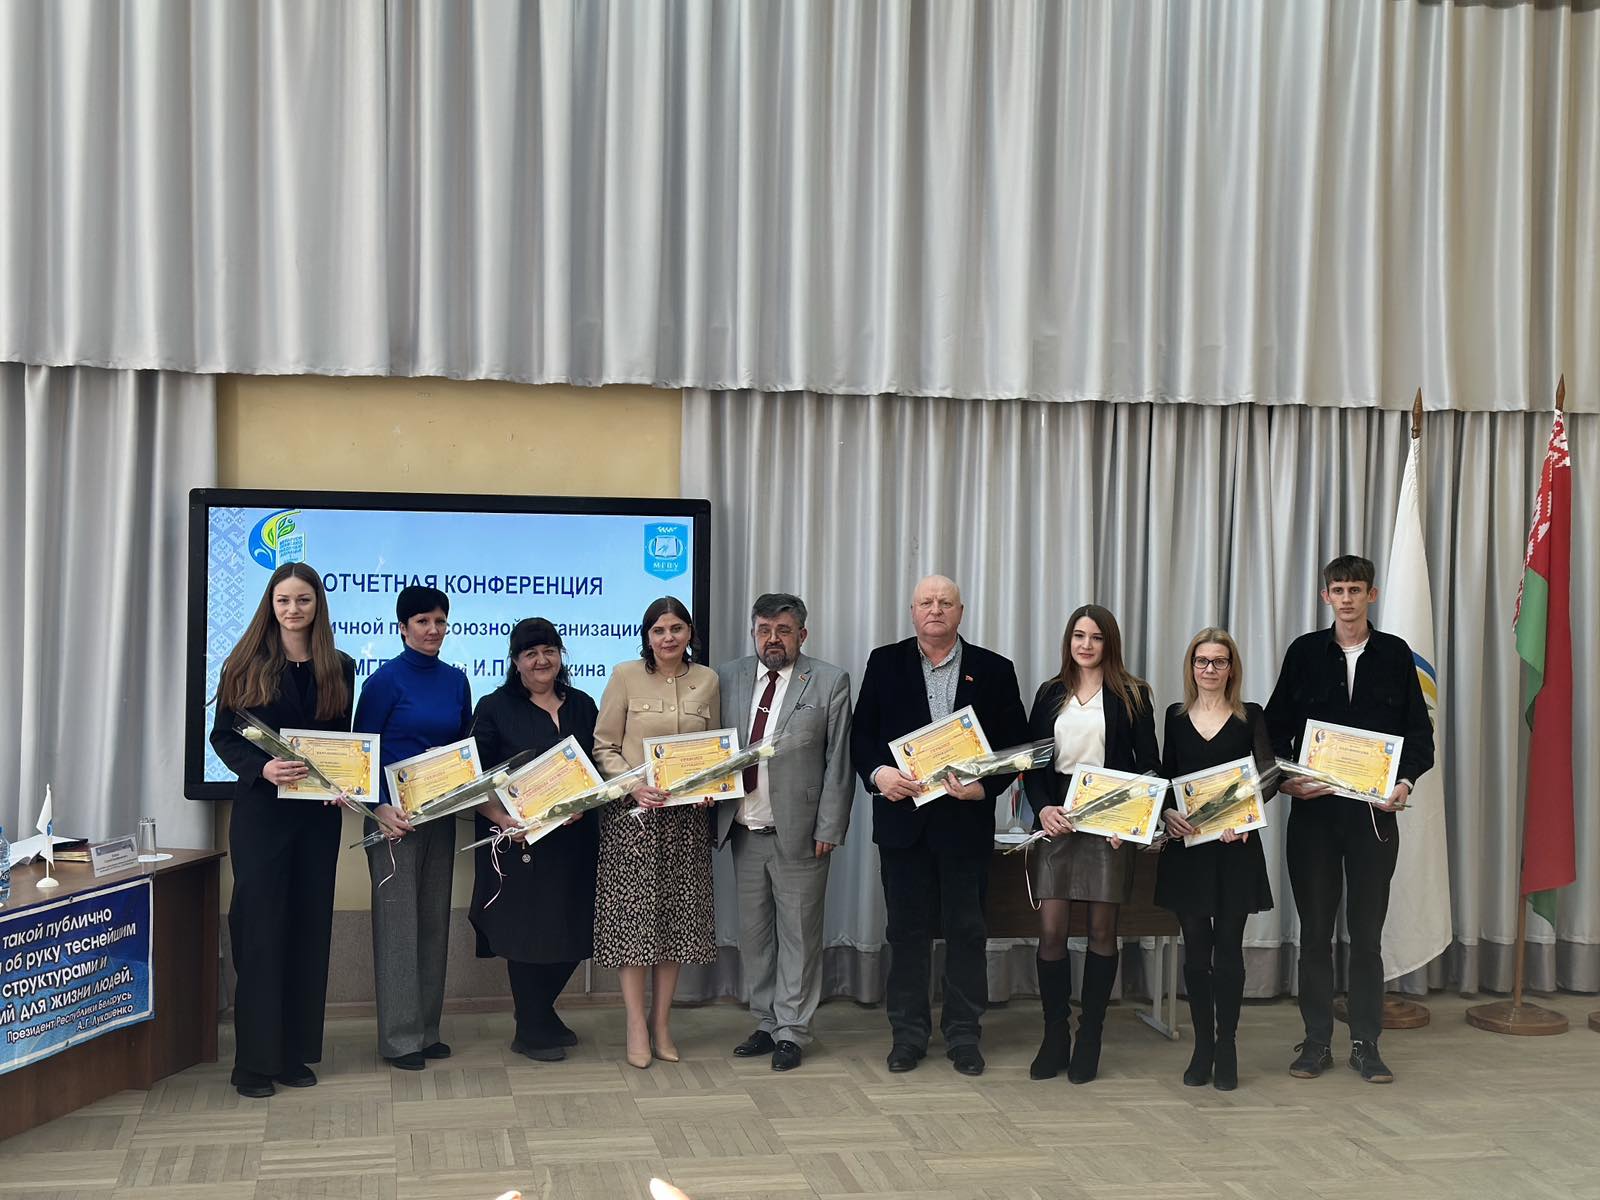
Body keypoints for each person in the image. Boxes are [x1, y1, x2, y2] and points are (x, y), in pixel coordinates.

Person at [1265, 554, 1434, 1084]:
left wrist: (1403, 783)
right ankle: (1317, 1042)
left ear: (1371, 595)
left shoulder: (1396, 654)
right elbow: (1272, 730)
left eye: (1355, 590)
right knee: (1314, 934)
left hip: (1372, 819)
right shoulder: (1304, 653)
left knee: (1366, 936)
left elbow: (1420, 737)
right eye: (1337, 590)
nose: (1346, 599)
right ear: (1326, 597)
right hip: (1314, 815)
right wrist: (1285, 782)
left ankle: (1366, 1044)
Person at [850, 574, 1027, 1077]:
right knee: (906, 934)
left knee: (966, 933)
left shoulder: (994, 669)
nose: (935, 609)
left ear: (960, 611)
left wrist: (985, 788)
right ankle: (908, 1035)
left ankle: (964, 1035)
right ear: (912, 611)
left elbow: (1015, 746)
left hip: (964, 826)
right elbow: (861, 736)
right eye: (926, 602)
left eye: (945, 602)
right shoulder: (884, 662)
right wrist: (879, 774)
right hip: (902, 825)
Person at [210, 562, 355, 1099]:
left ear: (318, 605)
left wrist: (347, 781)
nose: (294, 609)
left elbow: (343, 743)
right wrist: (262, 768)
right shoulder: (244, 662)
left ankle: (294, 1054)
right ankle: (253, 1062)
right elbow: (223, 737)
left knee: (308, 930)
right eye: (284, 600)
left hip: (317, 820)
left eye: (304, 600)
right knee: (261, 930)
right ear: (271, 605)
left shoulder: (340, 666)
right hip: (262, 817)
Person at [714, 593, 854, 1072]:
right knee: (754, 937)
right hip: (744, 828)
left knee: (798, 935)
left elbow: (839, 760)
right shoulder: (727, 677)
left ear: (802, 635)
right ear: (754, 632)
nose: (772, 639)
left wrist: (830, 825)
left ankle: (792, 1030)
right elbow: (711, 748)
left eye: (783, 630)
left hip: (802, 832)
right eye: (764, 630)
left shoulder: (830, 680)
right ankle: (766, 1021)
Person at [1021, 604, 1158, 1084]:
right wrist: (1042, 808)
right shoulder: (1050, 692)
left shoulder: (1133, 694)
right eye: (1078, 635)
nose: (1086, 645)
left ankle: (1091, 1034)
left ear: (1109, 643)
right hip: (1058, 820)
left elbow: (1150, 765)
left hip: (1110, 820)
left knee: (1102, 931)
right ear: (1069, 641)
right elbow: (1033, 761)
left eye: (1096, 637)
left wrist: (1131, 818)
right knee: (1052, 932)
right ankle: (1054, 1034)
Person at [592, 596, 721, 1069]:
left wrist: (711, 788)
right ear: (647, 637)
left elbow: (714, 749)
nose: (668, 638)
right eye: (659, 630)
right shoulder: (624, 675)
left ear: (690, 633)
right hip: (635, 820)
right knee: (636, 924)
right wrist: (632, 786)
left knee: (676, 924)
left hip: (686, 823)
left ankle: (661, 1022)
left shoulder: (708, 679)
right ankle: (634, 1024)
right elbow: (603, 746)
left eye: (676, 629)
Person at [1154, 628, 1279, 1091]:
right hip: (1188, 850)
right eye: (1201, 661)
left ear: (1232, 669)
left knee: (1227, 949)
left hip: (1234, 848)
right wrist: (1167, 812)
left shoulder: (1251, 716)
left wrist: (1244, 820)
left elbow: (1268, 776)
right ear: (1191, 667)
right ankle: (1202, 1046)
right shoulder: (1174, 716)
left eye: (1219, 661)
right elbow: (1167, 777)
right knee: (1195, 952)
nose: (1209, 669)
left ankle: (1227, 1045)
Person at [469, 618, 600, 1062]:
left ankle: (539, 1012)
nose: (542, 660)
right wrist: (503, 820)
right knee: (527, 935)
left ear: (561, 655)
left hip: (575, 839)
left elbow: (597, 766)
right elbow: (475, 781)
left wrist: (586, 803)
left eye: (549, 651)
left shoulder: (582, 704)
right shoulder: (494, 707)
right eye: (530, 653)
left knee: (575, 929)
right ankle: (530, 1028)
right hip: (519, 842)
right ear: (516, 661)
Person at [355, 584, 473, 1071]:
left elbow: (464, 746)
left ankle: (427, 1030)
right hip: (392, 823)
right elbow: (360, 757)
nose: (433, 629)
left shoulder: (457, 681)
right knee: (398, 928)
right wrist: (378, 809)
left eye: (440, 620)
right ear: (402, 628)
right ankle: (400, 1039)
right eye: (422, 621)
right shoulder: (383, 682)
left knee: (432, 922)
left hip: (438, 817)